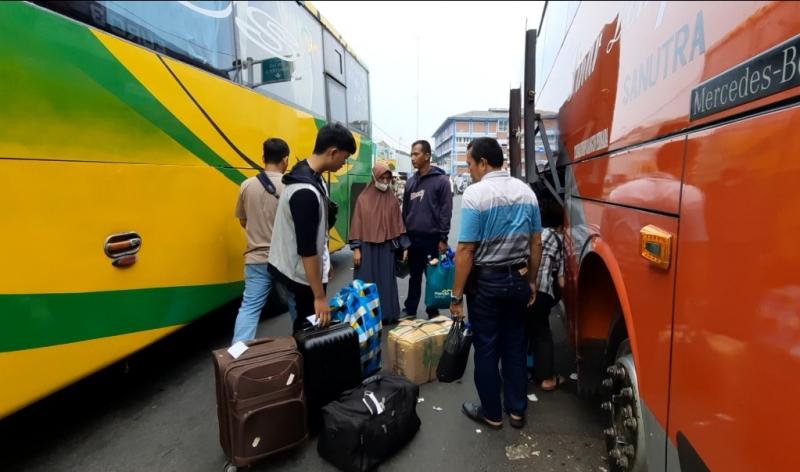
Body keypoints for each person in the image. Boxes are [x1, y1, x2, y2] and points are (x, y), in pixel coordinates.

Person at [450, 137, 542, 430]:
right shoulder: (527, 193)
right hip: (517, 280)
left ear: (483, 163)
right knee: (514, 344)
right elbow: (536, 243)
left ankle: (491, 413)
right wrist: (531, 281)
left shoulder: (476, 195)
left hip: (486, 284)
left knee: (487, 347)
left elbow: (465, 250)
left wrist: (456, 297)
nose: (469, 171)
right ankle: (517, 410)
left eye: (469, 165)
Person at [268, 123, 356, 333]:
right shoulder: (305, 191)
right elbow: (307, 249)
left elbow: (317, 236)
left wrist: (325, 263)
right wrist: (319, 296)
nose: (344, 164)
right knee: (307, 330)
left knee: (309, 330)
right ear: (333, 152)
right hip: (301, 280)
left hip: (303, 274)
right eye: (344, 158)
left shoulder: (308, 174)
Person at [231, 138, 298, 344]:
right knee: (297, 304)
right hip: (285, 261)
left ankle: (238, 358)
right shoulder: (291, 187)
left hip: (256, 259)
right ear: (285, 160)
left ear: (263, 158)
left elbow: (243, 221)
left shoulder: (246, 185)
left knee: (249, 308)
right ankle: (304, 347)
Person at [349, 162, 410, 325]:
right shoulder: (363, 199)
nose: (384, 181)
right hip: (366, 248)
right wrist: (356, 249)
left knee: (386, 282)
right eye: (381, 177)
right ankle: (366, 316)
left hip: (386, 248)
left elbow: (398, 223)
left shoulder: (392, 199)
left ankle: (387, 315)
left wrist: (404, 245)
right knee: (366, 282)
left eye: (387, 178)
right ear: (374, 177)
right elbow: (356, 224)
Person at [402, 139, 453, 319]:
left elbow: (446, 211)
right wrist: (405, 239)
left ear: (427, 156)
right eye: (412, 154)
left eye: (416, 154)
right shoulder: (410, 182)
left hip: (433, 239)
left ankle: (432, 309)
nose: (413, 158)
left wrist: (443, 238)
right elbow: (405, 210)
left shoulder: (442, 181)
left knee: (432, 276)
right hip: (413, 239)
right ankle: (410, 309)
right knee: (414, 277)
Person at [526, 197, 566, 391]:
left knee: (526, 330)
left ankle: (528, 369)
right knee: (542, 332)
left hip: (523, 288)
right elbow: (561, 279)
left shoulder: (533, 233)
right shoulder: (558, 239)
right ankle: (548, 379)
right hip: (541, 291)